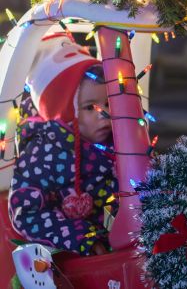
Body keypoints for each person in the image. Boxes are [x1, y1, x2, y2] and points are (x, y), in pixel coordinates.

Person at [8, 33, 118, 256]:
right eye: (89, 107)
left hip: (121, 245)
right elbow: (26, 213)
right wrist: (82, 237)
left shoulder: (118, 141)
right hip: (71, 259)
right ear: (64, 112)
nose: (105, 114)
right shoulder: (43, 153)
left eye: (108, 102)